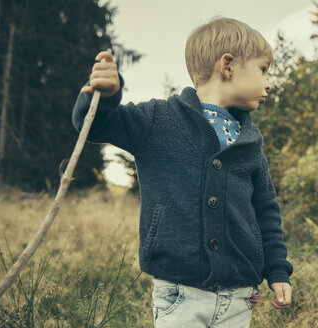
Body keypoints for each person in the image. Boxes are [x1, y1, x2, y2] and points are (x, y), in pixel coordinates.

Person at [72, 16, 293, 328]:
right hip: (180, 293)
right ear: (227, 66)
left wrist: (278, 269)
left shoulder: (250, 142)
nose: (268, 81)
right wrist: (105, 97)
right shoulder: (158, 120)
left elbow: (266, 211)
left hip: (239, 296)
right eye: (263, 69)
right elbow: (94, 125)